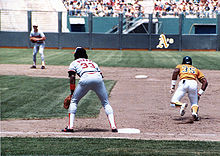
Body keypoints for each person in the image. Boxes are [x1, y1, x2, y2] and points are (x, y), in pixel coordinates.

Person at [62, 47, 118, 132]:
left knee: (74, 101)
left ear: (76, 54)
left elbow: (72, 77)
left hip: (85, 78)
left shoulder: (74, 63)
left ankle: (70, 127)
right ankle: (113, 127)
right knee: (105, 103)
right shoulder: (92, 63)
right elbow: (101, 76)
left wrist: (72, 93)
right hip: (98, 78)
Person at [170, 56, 208, 121]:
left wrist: (173, 85)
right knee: (194, 103)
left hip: (184, 83)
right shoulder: (195, 69)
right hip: (193, 84)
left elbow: (176, 71)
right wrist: (199, 94)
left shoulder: (180, 66)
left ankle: (182, 105)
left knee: (173, 102)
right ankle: (194, 113)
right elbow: (205, 82)